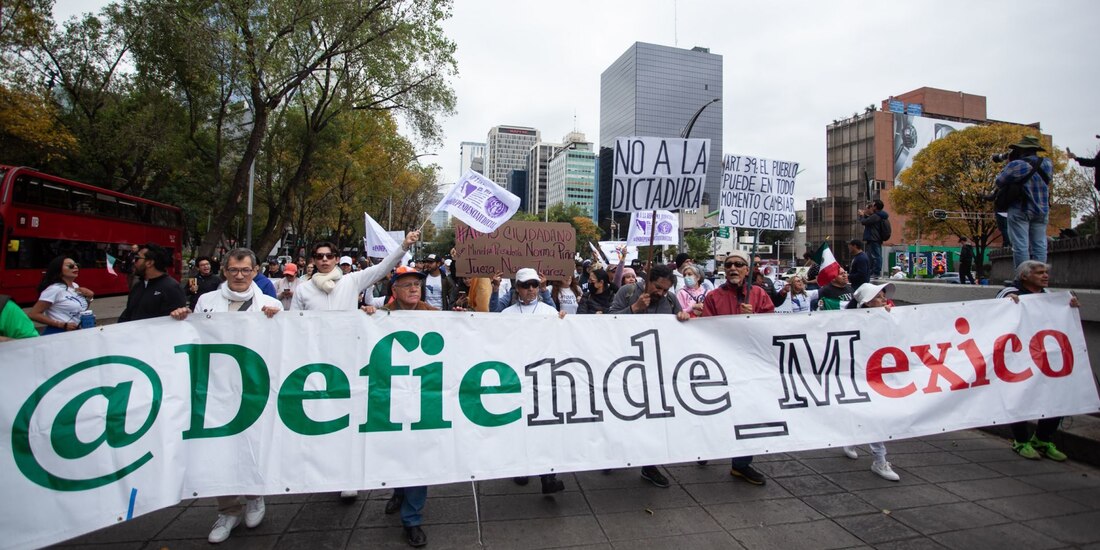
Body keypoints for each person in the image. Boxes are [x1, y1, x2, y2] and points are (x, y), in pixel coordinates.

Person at [291, 232, 419, 503]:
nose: (324, 260)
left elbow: (383, 268)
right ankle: (324, 469)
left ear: (337, 259)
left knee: (348, 418)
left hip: (347, 359)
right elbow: (294, 325)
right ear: (313, 260)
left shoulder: (352, 281)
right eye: (319, 256)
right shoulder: (302, 290)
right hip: (315, 361)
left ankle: (348, 478)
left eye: (329, 256)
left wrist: (404, 246)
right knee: (321, 417)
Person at [168, 248, 280, 544]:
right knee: (218, 447)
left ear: (256, 271)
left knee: (252, 442)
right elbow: (196, 335)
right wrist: (181, 318)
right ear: (225, 272)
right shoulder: (206, 301)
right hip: (216, 386)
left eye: (246, 270)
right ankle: (227, 509)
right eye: (233, 270)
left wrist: (278, 320)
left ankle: (255, 496)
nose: (240, 276)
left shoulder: (269, 303)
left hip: (253, 387)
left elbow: (281, 345)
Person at [362, 265, 435, 547]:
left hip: (423, 398)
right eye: (406, 285)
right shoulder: (381, 316)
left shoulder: (433, 315)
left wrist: (463, 321)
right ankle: (399, 491)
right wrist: (367, 318)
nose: (414, 288)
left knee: (417, 457)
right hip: (390, 397)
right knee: (395, 451)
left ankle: (412, 519)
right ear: (394, 290)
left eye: (417, 283)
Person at [609, 263, 689, 488]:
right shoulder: (628, 292)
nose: (661, 294)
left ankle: (650, 466)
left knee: (652, 419)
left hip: (655, 368)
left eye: (665, 290)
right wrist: (633, 309)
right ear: (648, 280)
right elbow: (607, 322)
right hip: (625, 366)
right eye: (658, 288)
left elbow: (678, 326)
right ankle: (611, 455)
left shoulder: (671, 300)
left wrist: (683, 317)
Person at [700, 250, 774, 485]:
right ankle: (705, 447)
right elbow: (705, 330)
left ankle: (741, 465)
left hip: (749, 365)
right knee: (715, 412)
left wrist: (755, 318)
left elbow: (774, 326)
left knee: (746, 414)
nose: (732, 268)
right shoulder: (713, 296)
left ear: (747, 269)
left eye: (738, 264)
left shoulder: (759, 295)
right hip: (721, 366)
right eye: (728, 264)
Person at [996, 260, 1079, 461]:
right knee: (1021, 397)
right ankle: (1021, 441)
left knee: (1055, 397)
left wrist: (1070, 307)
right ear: (1024, 276)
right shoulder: (1010, 292)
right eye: (1039, 273)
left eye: (1045, 272)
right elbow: (996, 308)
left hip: (1045, 358)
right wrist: (1007, 301)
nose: (1045, 276)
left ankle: (1042, 439)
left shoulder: (1050, 298)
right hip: (1019, 358)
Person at [841, 282, 901, 482]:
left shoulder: (890, 315)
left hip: (880, 374)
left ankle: (851, 439)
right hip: (861, 375)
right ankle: (879, 460)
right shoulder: (854, 321)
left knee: (869, 412)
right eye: (879, 296)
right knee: (875, 416)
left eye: (884, 295)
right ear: (867, 303)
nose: (884, 299)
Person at [995, 135, 1052, 268]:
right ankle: (1039, 276)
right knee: (1039, 245)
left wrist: (1009, 163)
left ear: (1021, 150)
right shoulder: (1048, 163)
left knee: (1021, 245)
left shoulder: (1017, 164)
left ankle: (1023, 277)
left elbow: (999, 181)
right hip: (1042, 210)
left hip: (1020, 208)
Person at [119, 243, 188, 322]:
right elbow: (127, 314)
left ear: (149, 263)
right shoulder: (137, 286)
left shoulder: (172, 288)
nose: (134, 261)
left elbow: (175, 322)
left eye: (137, 258)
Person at [27, 256, 95, 334]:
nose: (75, 267)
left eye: (77, 265)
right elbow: (33, 314)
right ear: (58, 269)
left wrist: (89, 298)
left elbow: (81, 310)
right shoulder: (54, 289)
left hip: (75, 332)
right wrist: (61, 325)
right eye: (71, 266)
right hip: (58, 333)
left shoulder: (75, 286)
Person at [858, 199, 889, 277]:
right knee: (871, 256)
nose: (872, 206)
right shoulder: (879, 216)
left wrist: (862, 215)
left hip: (873, 238)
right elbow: (869, 221)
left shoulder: (877, 216)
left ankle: (876, 272)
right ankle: (872, 271)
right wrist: (866, 215)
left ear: (876, 206)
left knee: (876, 256)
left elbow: (864, 222)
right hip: (875, 238)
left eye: (873, 205)